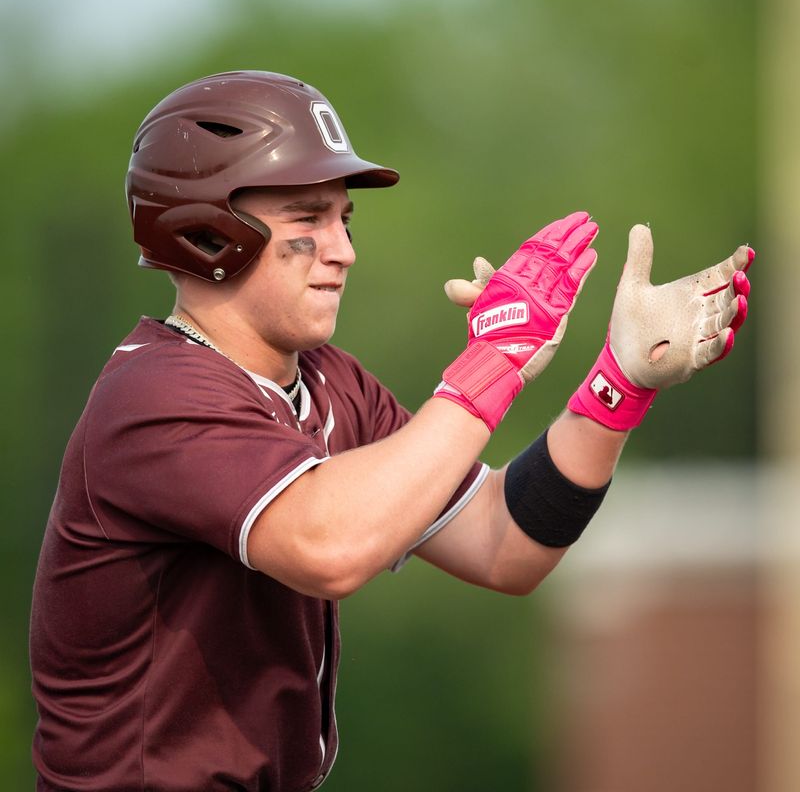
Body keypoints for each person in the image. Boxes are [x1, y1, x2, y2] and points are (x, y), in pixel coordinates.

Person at [29, 70, 754, 792]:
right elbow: (331, 546)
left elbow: (507, 544)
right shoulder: (152, 395)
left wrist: (616, 383)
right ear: (203, 230)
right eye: (307, 220)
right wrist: (491, 363)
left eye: (343, 220)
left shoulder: (330, 382)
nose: (342, 249)